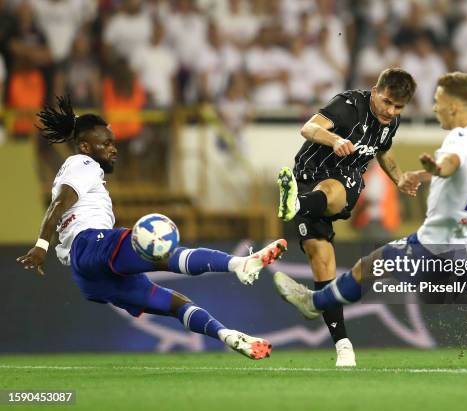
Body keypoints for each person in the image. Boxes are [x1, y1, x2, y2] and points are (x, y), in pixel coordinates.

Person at [273, 72, 467, 378]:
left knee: (367, 267)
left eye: (438, 102)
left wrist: (437, 167)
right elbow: (461, 169)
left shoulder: (456, 141)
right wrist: (418, 176)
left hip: (436, 242)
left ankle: (314, 301)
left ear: (453, 106)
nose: (433, 108)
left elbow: (451, 164)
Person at [16, 96, 287, 360]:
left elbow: (62, 206)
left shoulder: (81, 169)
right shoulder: (82, 163)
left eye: (113, 142)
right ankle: (239, 264)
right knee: (162, 252)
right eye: (106, 143)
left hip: (88, 277)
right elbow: (59, 204)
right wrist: (41, 246)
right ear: (85, 147)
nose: (114, 149)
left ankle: (226, 335)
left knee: (175, 304)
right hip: (91, 244)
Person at [276, 68, 420, 366]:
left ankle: (298, 206)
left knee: (334, 189)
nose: (391, 111)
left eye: (398, 107)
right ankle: (344, 347)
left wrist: (399, 178)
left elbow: (384, 152)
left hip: (343, 178)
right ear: (376, 90)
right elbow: (308, 128)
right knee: (321, 258)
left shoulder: (389, 123)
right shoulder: (349, 105)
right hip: (306, 177)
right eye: (387, 103)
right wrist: (333, 140)